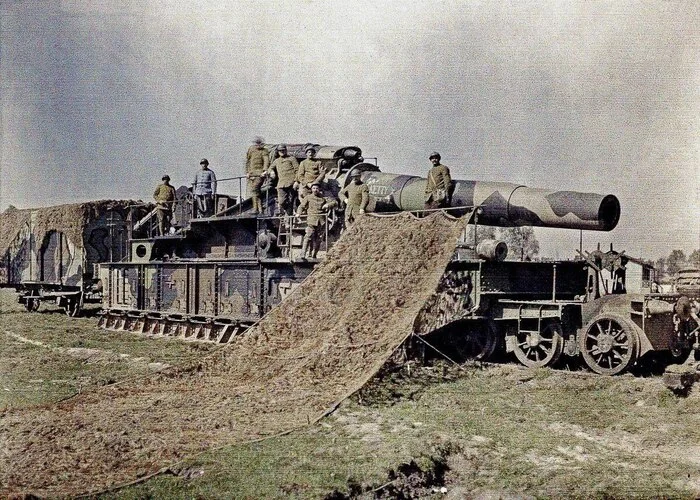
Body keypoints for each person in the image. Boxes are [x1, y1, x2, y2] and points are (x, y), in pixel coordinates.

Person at [296, 182, 337, 259]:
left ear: (319, 189)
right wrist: (298, 213)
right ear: (311, 189)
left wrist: (328, 205)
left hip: (321, 222)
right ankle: (303, 254)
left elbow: (334, 202)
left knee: (318, 239)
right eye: (314, 188)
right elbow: (301, 206)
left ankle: (314, 254)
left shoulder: (323, 198)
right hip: (311, 220)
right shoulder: (308, 197)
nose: (315, 190)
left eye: (317, 188)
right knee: (308, 236)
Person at [268, 144, 299, 215]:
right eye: (280, 150)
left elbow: (298, 170)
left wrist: (296, 181)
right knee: (281, 202)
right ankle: (287, 211)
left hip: (291, 184)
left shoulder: (292, 158)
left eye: (283, 150)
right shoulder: (276, 161)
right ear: (278, 152)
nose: (282, 152)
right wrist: (272, 172)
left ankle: (288, 220)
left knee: (291, 201)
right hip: (281, 184)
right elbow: (270, 168)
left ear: (286, 150)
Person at [246, 137, 270, 214]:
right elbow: (248, 161)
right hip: (252, 174)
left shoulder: (264, 151)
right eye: (256, 144)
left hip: (260, 174)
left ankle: (255, 209)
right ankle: (260, 210)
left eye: (259, 144)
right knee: (256, 191)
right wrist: (247, 172)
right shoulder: (251, 149)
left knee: (254, 189)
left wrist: (265, 171)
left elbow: (266, 162)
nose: (257, 145)